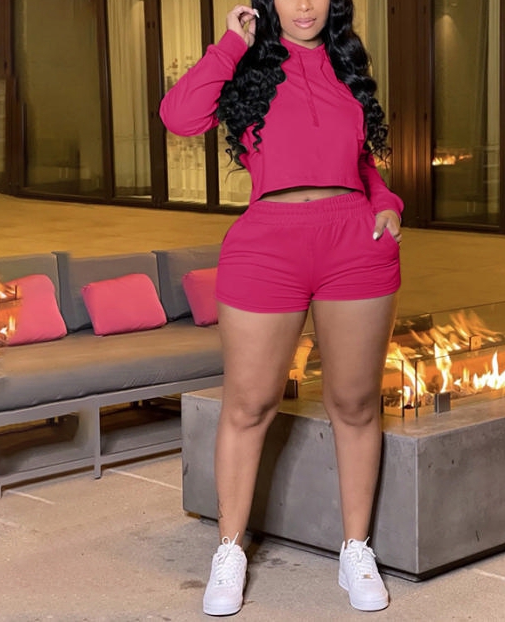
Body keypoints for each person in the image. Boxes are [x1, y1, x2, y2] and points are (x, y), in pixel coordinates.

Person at [160, 0, 403, 616]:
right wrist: (229, 44)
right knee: (249, 404)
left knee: (355, 403)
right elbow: (179, 116)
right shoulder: (247, 64)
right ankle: (229, 550)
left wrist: (385, 199)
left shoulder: (347, 63)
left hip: (354, 242)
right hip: (267, 243)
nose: (304, 5)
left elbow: (359, 158)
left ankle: (355, 550)